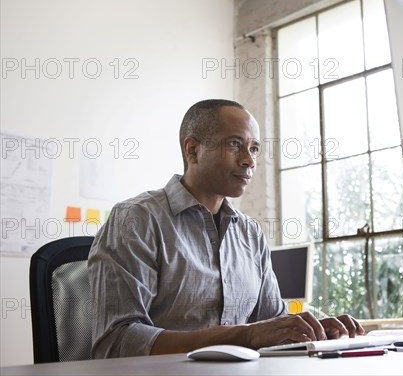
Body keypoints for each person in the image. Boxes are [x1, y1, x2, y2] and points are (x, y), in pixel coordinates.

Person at [88, 99, 365, 358]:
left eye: (254, 148)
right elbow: (116, 342)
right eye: (235, 144)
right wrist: (244, 336)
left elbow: (272, 324)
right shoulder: (135, 220)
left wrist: (309, 330)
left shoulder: (250, 234)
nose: (250, 161)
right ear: (193, 150)